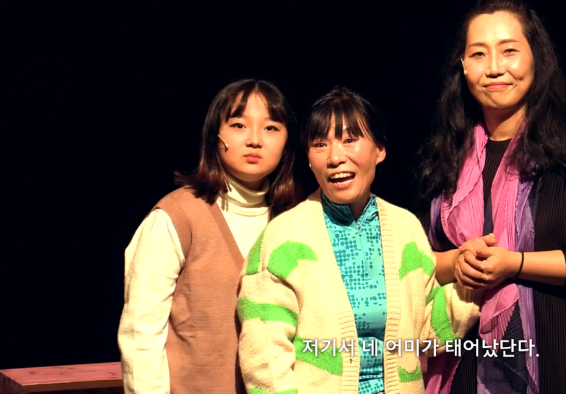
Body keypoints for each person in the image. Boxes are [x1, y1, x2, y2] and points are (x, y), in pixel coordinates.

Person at [418, 0, 566, 394]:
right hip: (465, 365)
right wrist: (456, 262)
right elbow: (415, 260)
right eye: (479, 54)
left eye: (509, 51)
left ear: (535, 58)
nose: (494, 67)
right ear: (463, 67)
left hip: (565, 364)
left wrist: (516, 263)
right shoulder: (449, 153)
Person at [237, 86, 480, 394]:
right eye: (320, 144)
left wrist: (475, 282)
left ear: (380, 150)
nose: (335, 157)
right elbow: (263, 358)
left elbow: (426, 332)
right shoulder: (283, 237)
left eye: (350, 139)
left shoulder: (405, 228)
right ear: (309, 159)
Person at [118, 79, 302, 394]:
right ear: (215, 135)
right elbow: (141, 333)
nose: (254, 140)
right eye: (239, 125)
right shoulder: (177, 216)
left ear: (287, 143)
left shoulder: (296, 221)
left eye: (271, 128)